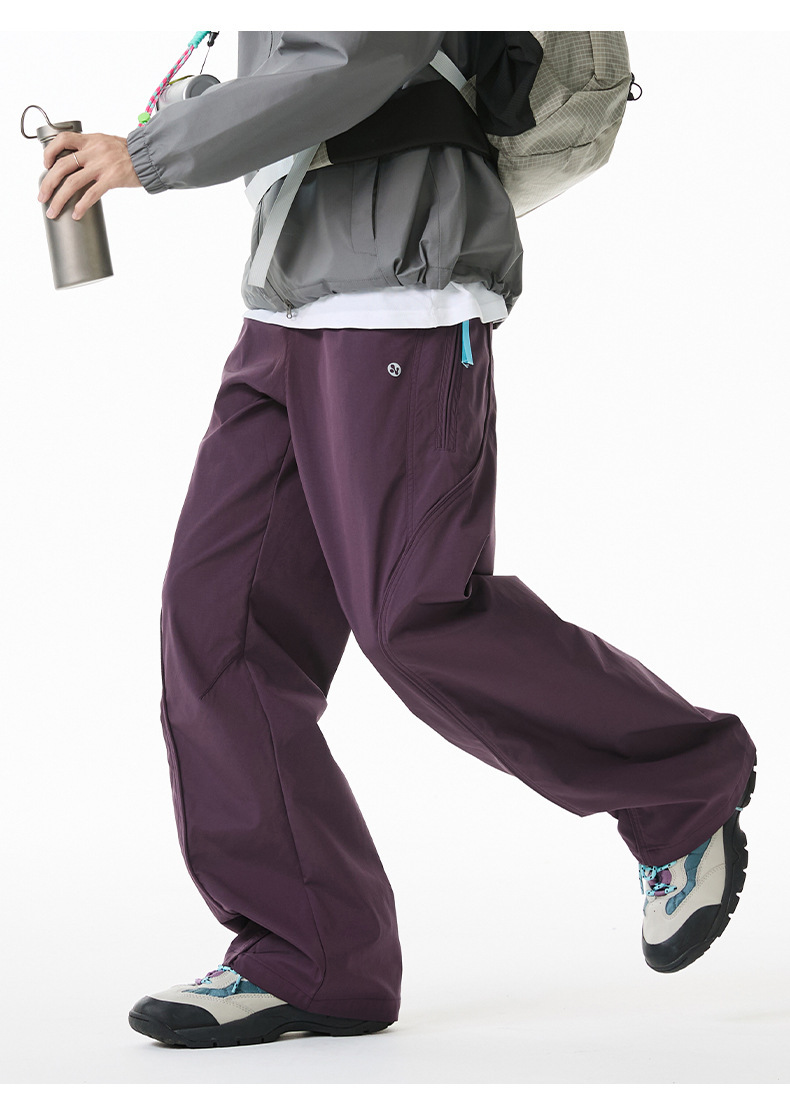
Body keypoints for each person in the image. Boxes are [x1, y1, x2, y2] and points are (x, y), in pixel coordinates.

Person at [38, 31, 757, 1050]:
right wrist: (184, 119)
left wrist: (149, 156)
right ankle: (311, 953)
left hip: (403, 286)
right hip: (288, 304)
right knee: (218, 629)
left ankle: (681, 783)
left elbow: (357, 54)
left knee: (415, 609)